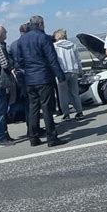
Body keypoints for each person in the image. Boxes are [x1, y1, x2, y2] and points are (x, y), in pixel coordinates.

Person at [17, 15, 66, 147]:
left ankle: (33, 138)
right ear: (41, 24)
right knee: (47, 108)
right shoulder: (44, 37)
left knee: (33, 108)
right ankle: (52, 137)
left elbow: (20, 61)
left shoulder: (21, 40)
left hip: (29, 78)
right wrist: (60, 76)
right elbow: (52, 59)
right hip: (43, 77)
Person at [53, 29, 84, 121]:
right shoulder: (72, 45)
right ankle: (79, 112)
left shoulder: (55, 47)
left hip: (62, 72)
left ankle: (66, 114)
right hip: (73, 71)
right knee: (75, 93)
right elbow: (78, 59)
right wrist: (80, 70)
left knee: (63, 95)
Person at [8, 24, 30, 125]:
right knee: (32, 98)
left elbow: (10, 58)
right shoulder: (29, 42)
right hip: (29, 72)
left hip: (17, 73)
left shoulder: (13, 44)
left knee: (21, 96)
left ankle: (21, 115)